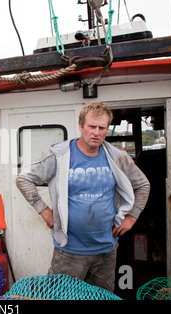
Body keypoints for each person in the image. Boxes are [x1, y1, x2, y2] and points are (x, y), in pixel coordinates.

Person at [15, 101, 150, 292]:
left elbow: (143, 185)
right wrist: (44, 211)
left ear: (106, 129)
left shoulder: (117, 156)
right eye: (91, 126)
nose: (96, 132)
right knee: (60, 297)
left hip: (106, 250)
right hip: (69, 251)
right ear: (81, 126)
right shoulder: (59, 155)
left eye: (102, 128)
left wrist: (132, 217)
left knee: (101, 297)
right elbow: (24, 179)